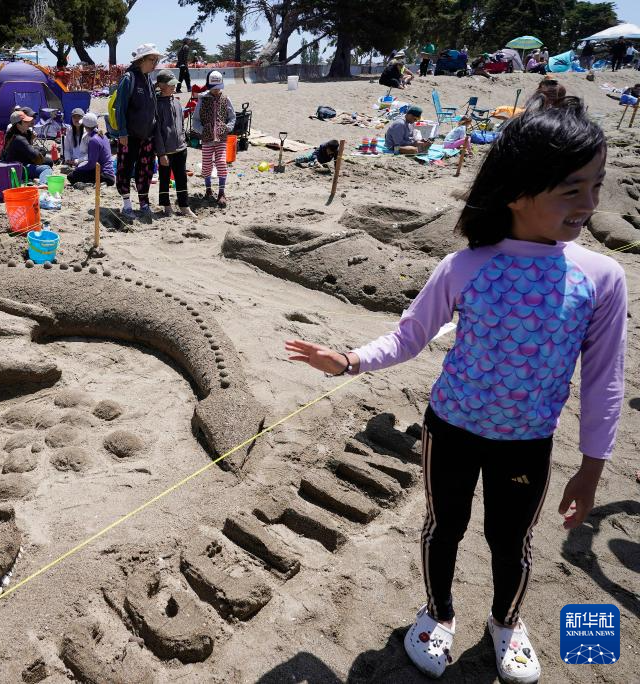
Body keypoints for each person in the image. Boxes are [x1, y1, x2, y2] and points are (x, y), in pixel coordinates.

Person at [284, 97, 625, 684]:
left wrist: (592, 466)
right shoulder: (464, 266)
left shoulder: (601, 277)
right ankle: (438, 612)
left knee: (511, 539)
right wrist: (349, 360)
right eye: (572, 190)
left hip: (527, 442)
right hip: (451, 428)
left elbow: (604, 381)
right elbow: (410, 337)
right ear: (517, 191)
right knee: (443, 527)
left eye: (595, 186)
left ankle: (506, 621)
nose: (589, 204)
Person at [110, 43, 160, 219]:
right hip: (129, 135)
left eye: (156, 60)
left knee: (146, 170)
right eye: (152, 60)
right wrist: (122, 132)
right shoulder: (128, 78)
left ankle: (144, 202)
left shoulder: (148, 79)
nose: (155, 64)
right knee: (124, 168)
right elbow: (120, 107)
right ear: (141, 60)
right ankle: (126, 204)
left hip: (147, 135)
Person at [153, 70, 196, 218]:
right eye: (170, 85)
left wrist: (183, 140)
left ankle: (184, 206)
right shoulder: (156, 105)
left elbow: (181, 124)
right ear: (161, 85)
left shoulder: (176, 102)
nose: (173, 87)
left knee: (181, 178)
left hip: (181, 148)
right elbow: (157, 131)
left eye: (174, 84)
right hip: (166, 151)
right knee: (165, 179)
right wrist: (161, 153)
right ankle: (166, 206)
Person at [191, 70, 235, 208]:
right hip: (207, 139)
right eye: (214, 88)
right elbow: (195, 120)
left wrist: (227, 128)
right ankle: (208, 189)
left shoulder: (226, 99)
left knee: (221, 163)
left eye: (218, 88)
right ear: (209, 86)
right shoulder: (202, 100)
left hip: (221, 138)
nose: (216, 90)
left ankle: (221, 192)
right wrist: (202, 130)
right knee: (206, 165)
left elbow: (232, 117)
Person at [0, 109, 54, 182]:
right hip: (17, 169)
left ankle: (35, 178)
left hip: (13, 164)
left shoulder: (11, 133)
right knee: (47, 166)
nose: (29, 123)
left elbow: (28, 149)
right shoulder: (19, 138)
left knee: (42, 152)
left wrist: (32, 142)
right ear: (18, 125)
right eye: (25, 122)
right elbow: (34, 155)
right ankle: (42, 183)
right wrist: (36, 150)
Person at [68, 113, 115, 186]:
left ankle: (90, 184)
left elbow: (91, 164)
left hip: (104, 175)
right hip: (109, 173)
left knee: (71, 176)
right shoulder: (103, 136)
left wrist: (78, 169)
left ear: (85, 126)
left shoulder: (93, 140)